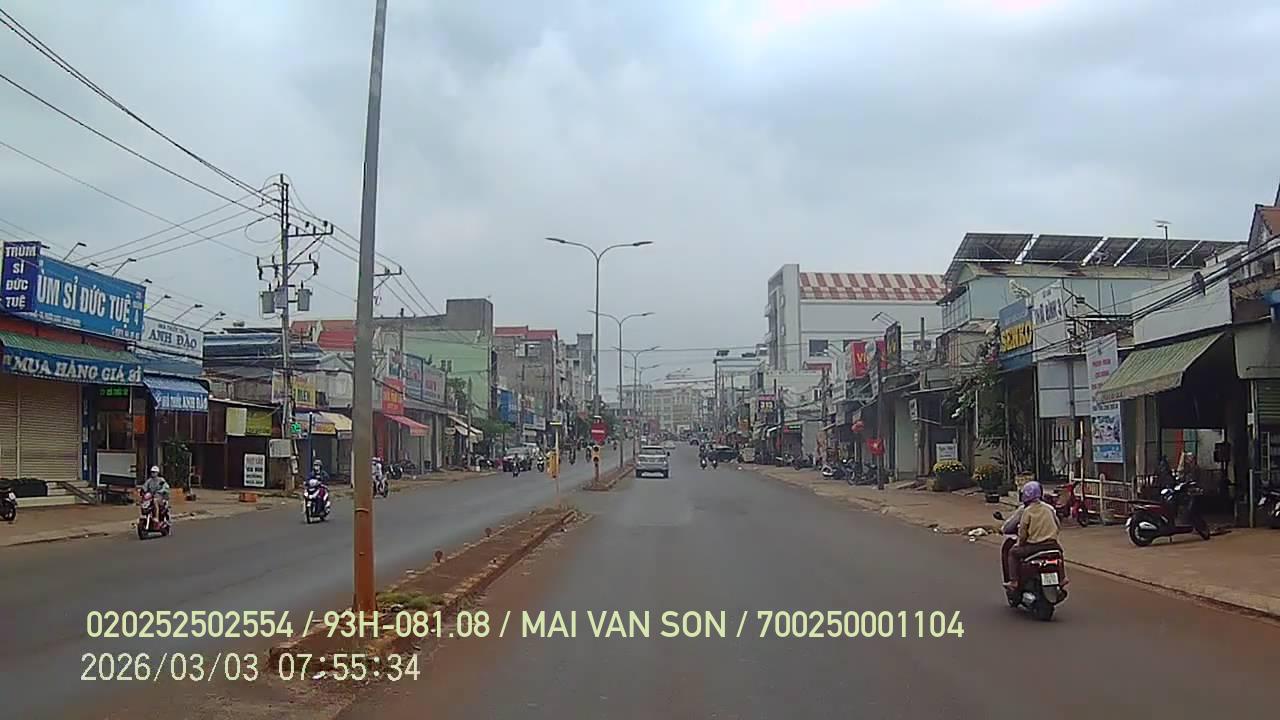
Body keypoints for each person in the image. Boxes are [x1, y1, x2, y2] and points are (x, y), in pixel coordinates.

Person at [1003, 480, 1061, 590]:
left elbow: (1023, 533)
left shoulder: (1026, 511)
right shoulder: (1049, 508)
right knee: (1059, 554)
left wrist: (1020, 544)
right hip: (1052, 544)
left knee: (1013, 553)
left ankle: (1014, 581)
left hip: (1034, 546)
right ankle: (1062, 579)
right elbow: (1057, 525)